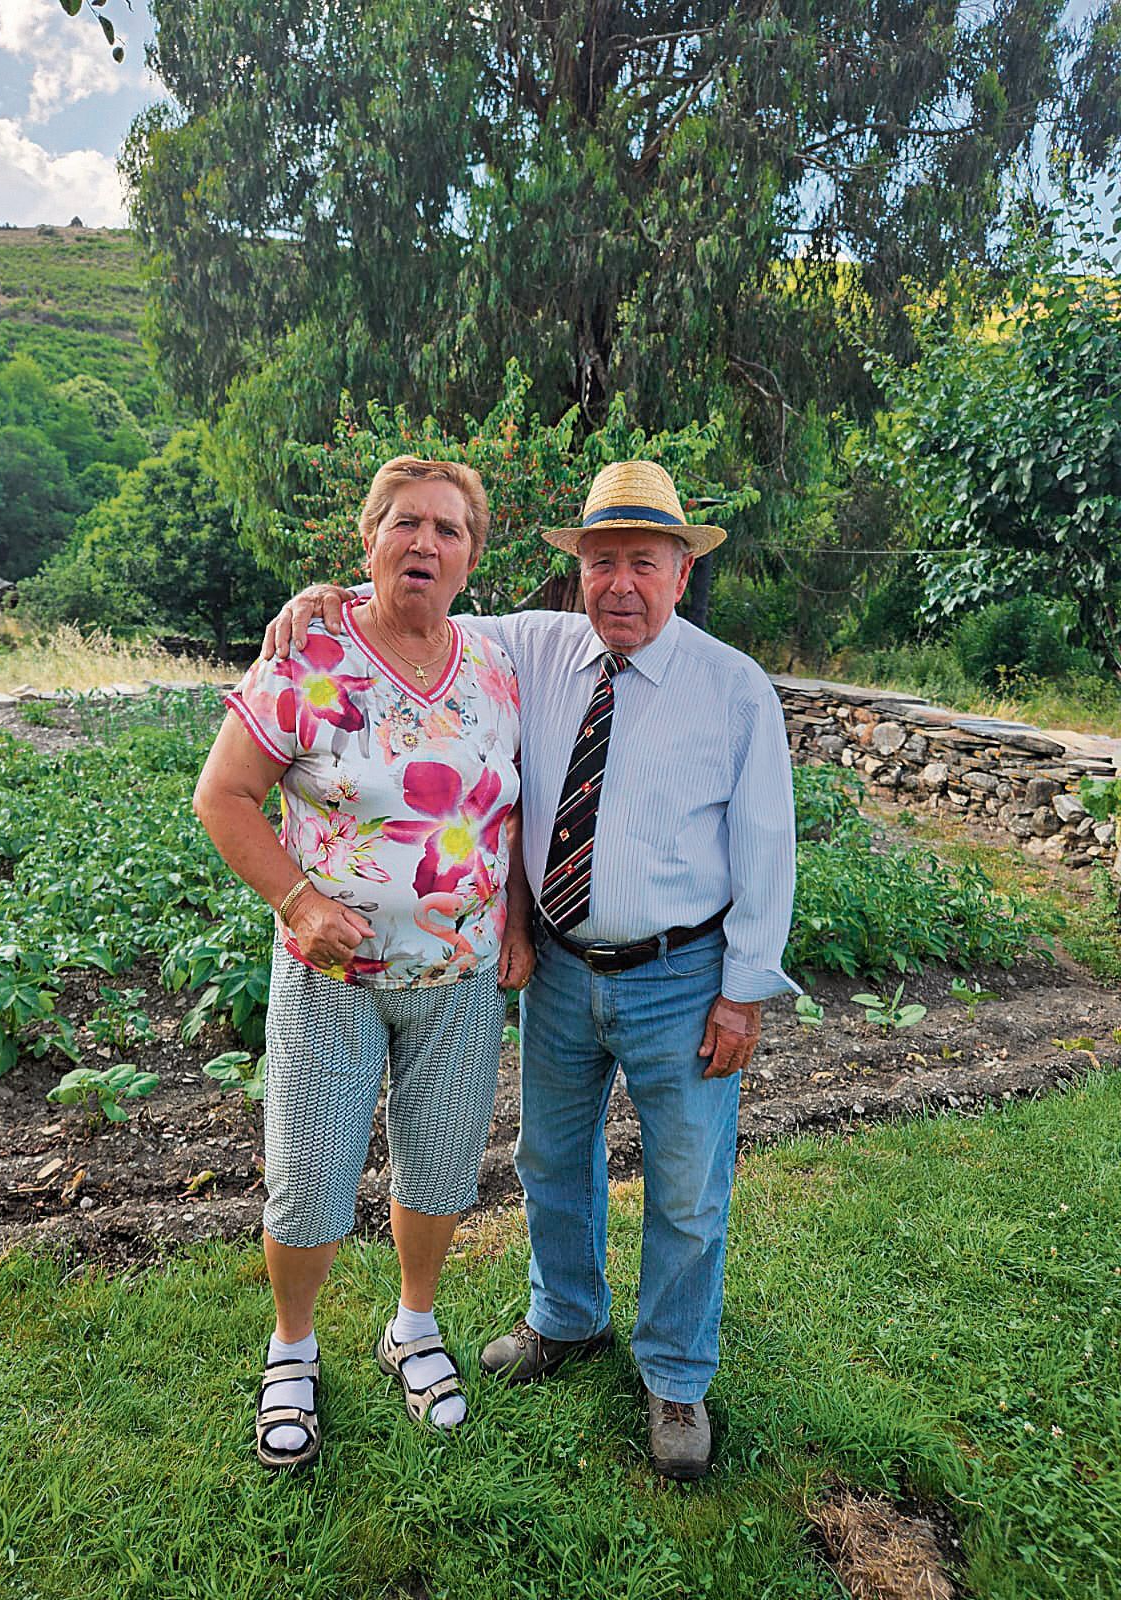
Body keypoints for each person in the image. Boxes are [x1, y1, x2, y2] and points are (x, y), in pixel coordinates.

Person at [264, 458, 797, 1480]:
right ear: (577, 573)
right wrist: (322, 600)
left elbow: (768, 846)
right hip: (555, 965)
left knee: (686, 1188)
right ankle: (567, 1317)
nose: (621, 585)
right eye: (602, 562)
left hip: (682, 978)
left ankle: (676, 1373)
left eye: (645, 562)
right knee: (553, 1159)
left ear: (683, 572)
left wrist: (743, 990)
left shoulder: (734, 690)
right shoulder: (531, 647)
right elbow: (416, 605)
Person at [195, 456, 532, 1471]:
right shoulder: (310, 653)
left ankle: (413, 1326)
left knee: (438, 1168)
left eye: (448, 529)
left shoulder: (496, 666)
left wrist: (510, 918)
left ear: (473, 556)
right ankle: (291, 1347)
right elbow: (222, 796)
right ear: (369, 538)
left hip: (462, 975)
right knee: (308, 1174)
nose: (425, 543)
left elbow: (505, 806)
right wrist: (298, 898)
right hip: (330, 977)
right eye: (405, 524)